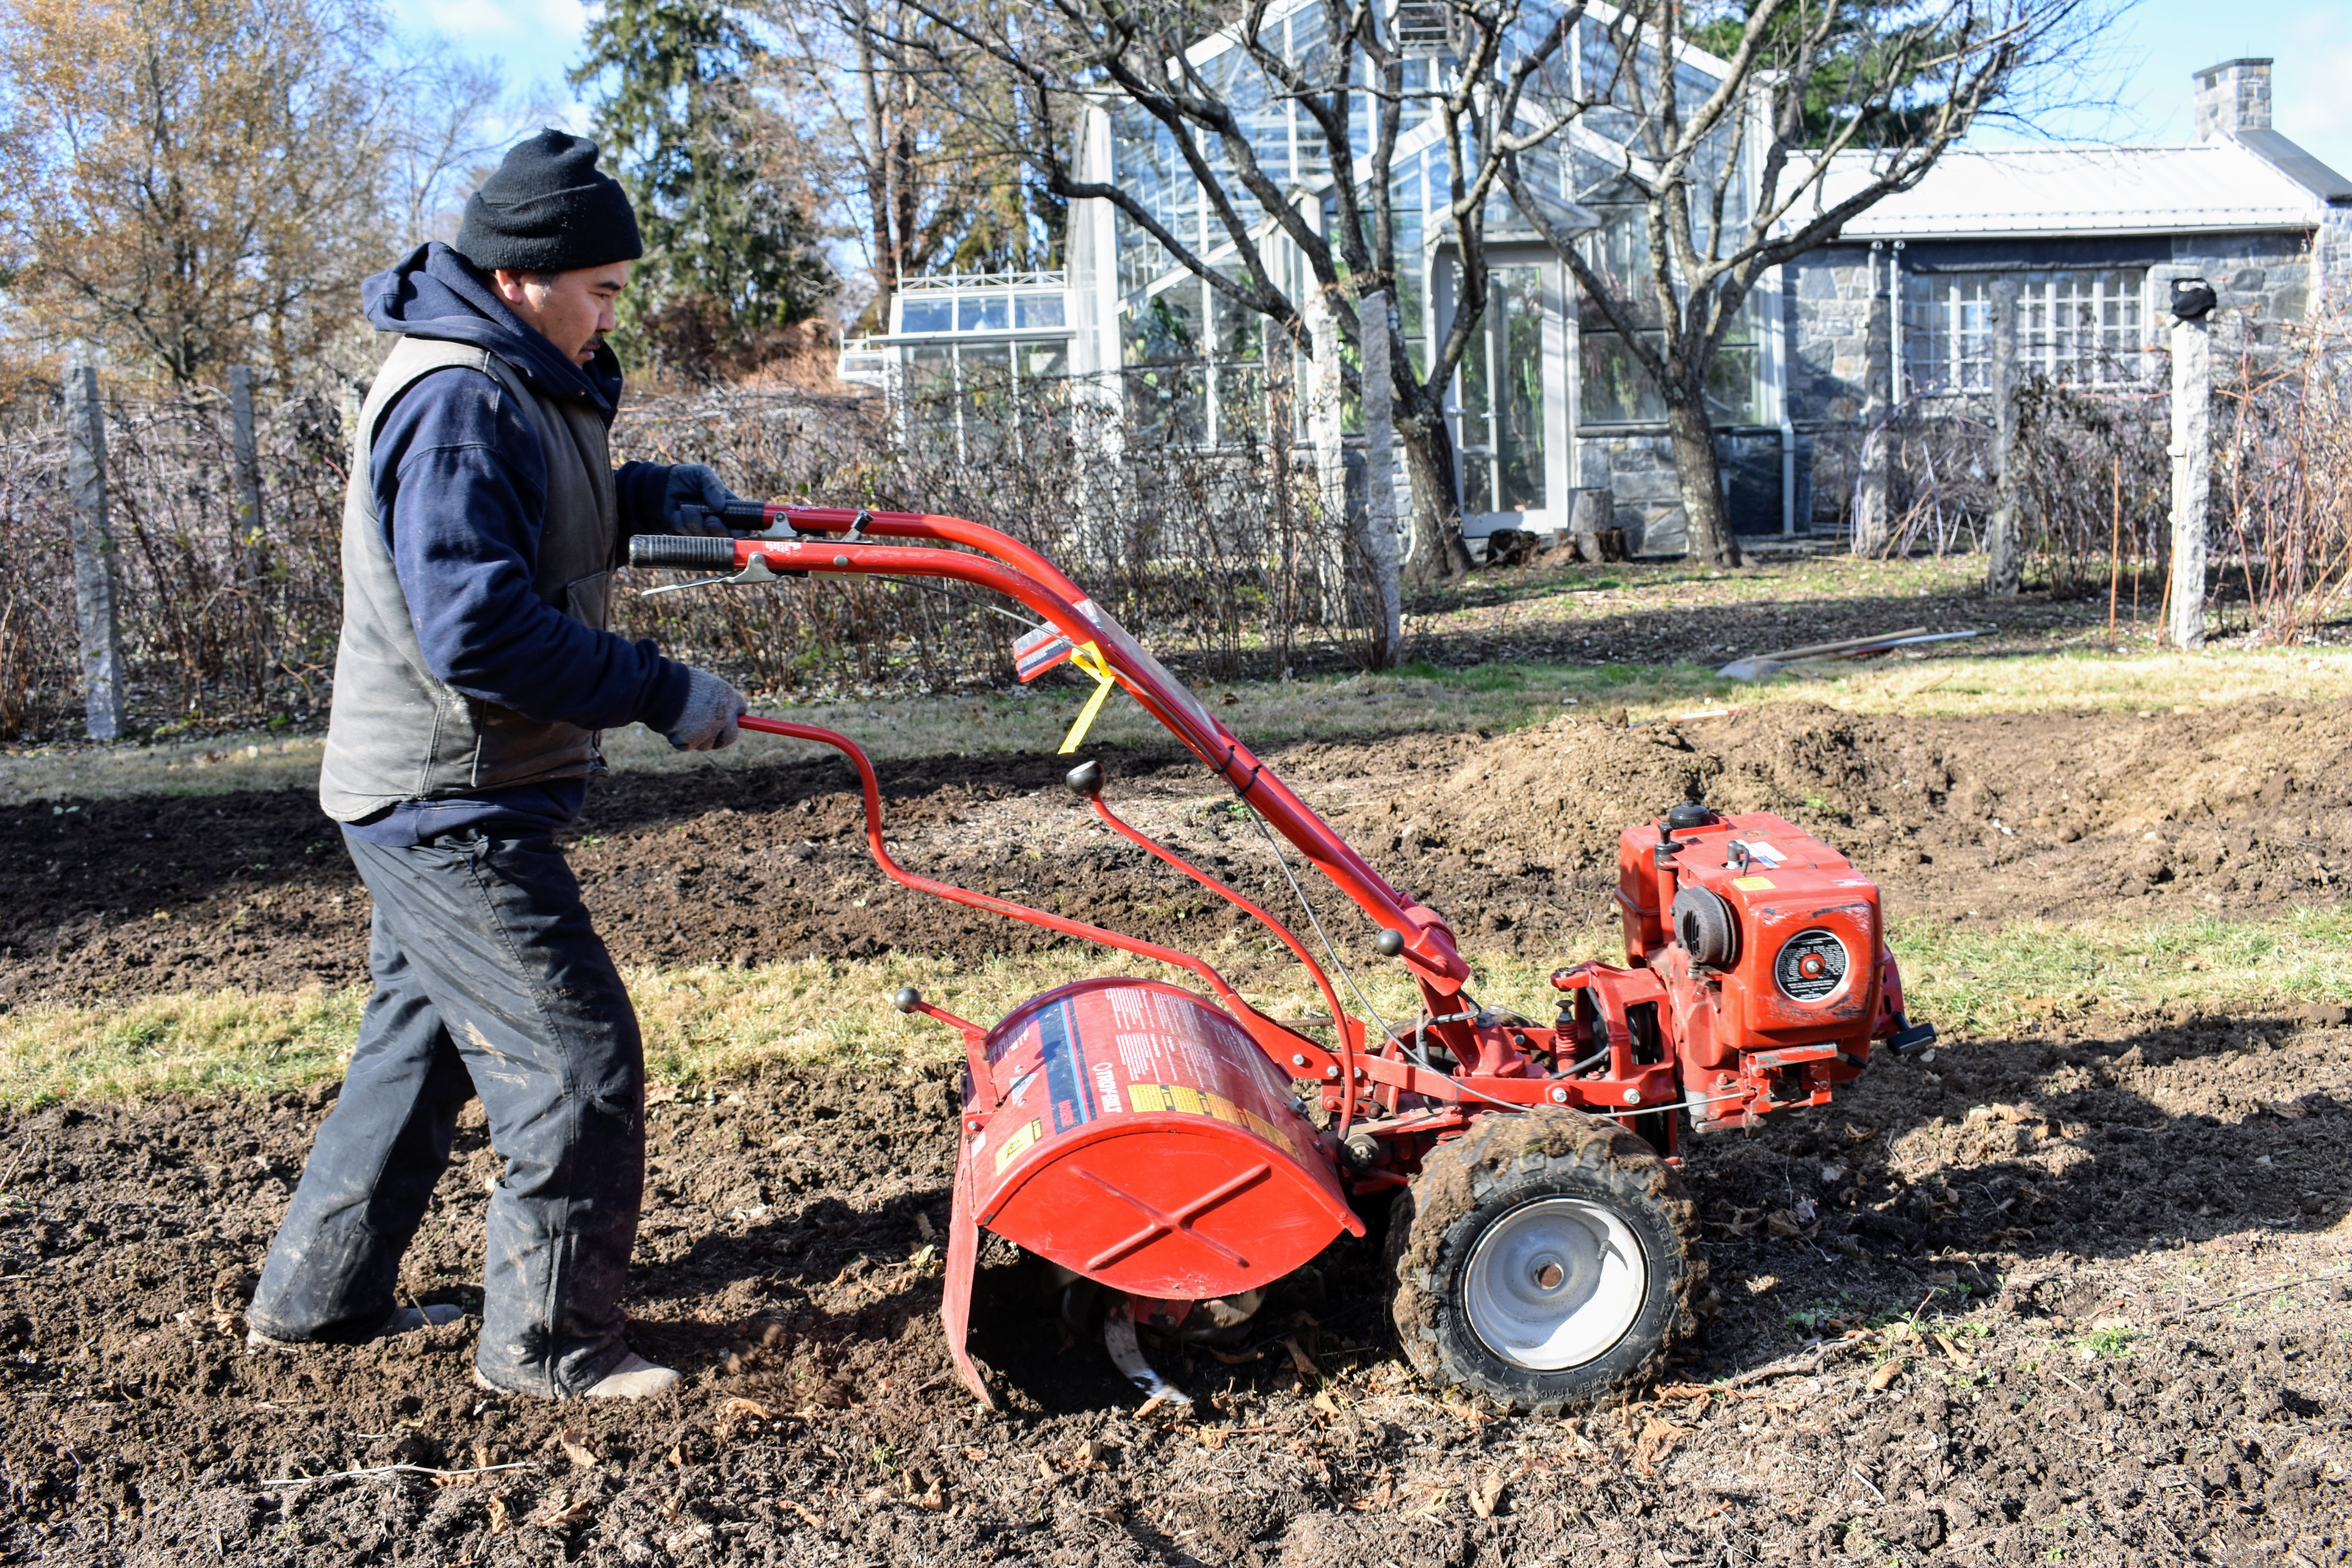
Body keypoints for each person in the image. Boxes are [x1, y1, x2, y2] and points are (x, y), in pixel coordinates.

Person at [245, 130, 752, 1399]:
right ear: (527, 275)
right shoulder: (463, 394)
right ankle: (552, 1347)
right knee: (578, 1064)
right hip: (445, 795)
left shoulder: (523, 376)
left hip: (446, 781)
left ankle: (316, 1301)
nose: (612, 311)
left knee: (418, 1056)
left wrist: (648, 496)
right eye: (604, 288)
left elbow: (534, 515)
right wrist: (657, 687)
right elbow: (472, 624)